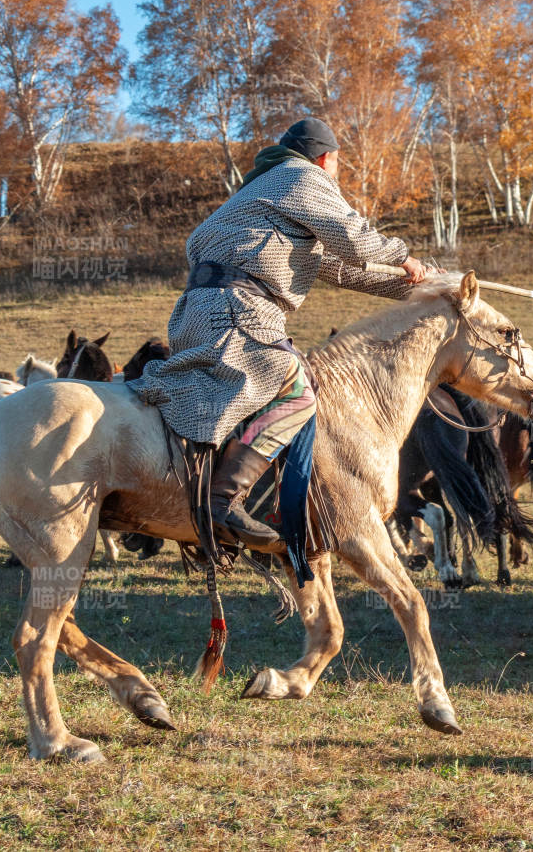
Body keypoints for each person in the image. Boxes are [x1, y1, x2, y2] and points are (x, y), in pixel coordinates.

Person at [132, 117, 425, 579]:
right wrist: (404, 256)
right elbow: (352, 238)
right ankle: (222, 501)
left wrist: (419, 287)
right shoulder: (301, 176)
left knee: (232, 403)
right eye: (337, 163)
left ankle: (199, 498)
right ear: (325, 158)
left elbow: (342, 268)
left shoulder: (262, 193)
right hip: (236, 309)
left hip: (196, 312)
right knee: (296, 389)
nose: (336, 171)